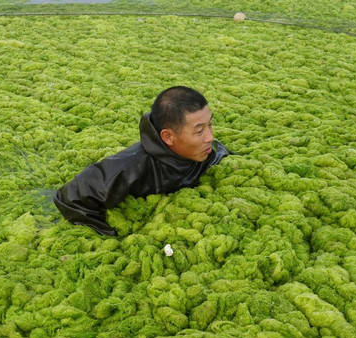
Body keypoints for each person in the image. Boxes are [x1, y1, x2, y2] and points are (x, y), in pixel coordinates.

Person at [54, 86, 230, 235]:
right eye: (199, 131)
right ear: (168, 136)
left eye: (210, 124)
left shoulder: (209, 151)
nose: (210, 137)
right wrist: (115, 236)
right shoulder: (126, 169)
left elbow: (221, 155)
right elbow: (67, 199)